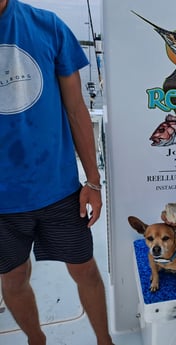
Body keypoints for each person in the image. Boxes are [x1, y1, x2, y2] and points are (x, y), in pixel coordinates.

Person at [0, 1, 114, 344]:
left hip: (59, 189)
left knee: (85, 269)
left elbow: (77, 108)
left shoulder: (48, 25)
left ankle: (104, 340)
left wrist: (93, 179)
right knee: (13, 278)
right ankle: (37, 340)